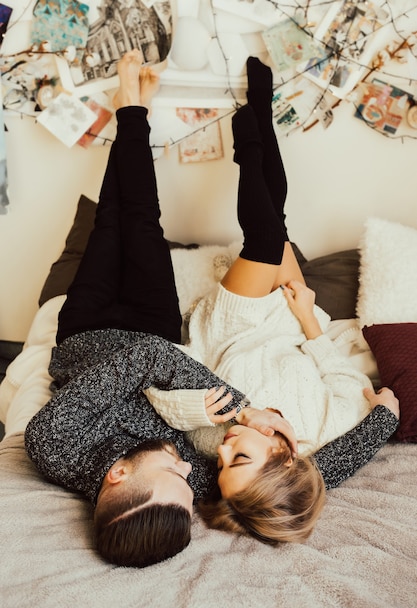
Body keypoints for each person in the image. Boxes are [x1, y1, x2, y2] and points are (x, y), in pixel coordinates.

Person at [24, 51, 398, 568]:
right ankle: (133, 109)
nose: (187, 468)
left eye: (174, 477)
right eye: (189, 483)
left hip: (87, 330)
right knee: (142, 219)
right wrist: (382, 423)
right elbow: (304, 477)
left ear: (118, 476)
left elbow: (147, 360)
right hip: (155, 324)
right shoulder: (194, 479)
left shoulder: (54, 445)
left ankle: (130, 108)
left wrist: (242, 407)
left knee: (112, 222)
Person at [141, 57, 400, 543]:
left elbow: (157, 391)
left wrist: (216, 412)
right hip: (288, 318)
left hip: (229, 327)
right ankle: (258, 111)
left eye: (221, 465)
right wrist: (307, 319)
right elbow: (344, 376)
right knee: (275, 225)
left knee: (264, 239)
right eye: (239, 458)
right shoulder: (331, 429)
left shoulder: (209, 435)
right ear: (286, 456)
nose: (225, 450)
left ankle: (250, 134)